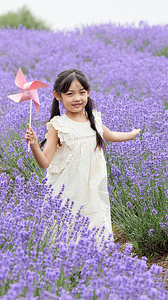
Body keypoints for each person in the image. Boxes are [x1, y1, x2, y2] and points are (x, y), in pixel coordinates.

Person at [24, 69, 141, 241]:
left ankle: (94, 261)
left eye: (82, 93)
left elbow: (111, 136)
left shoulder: (93, 119)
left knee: (96, 218)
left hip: (94, 184)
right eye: (70, 94)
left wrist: (132, 134)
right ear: (58, 96)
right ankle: (68, 262)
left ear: (88, 93)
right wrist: (34, 145)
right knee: (67, 223)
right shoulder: (58, 126)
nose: (77, 98)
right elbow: (45, 162)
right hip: (69, 187)